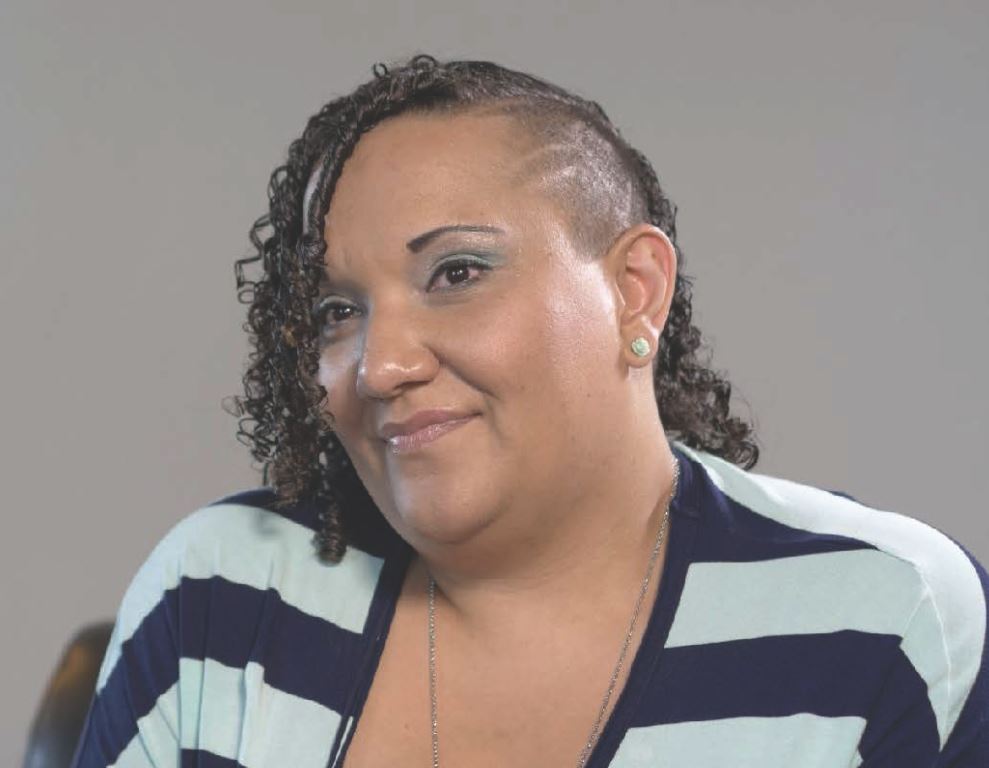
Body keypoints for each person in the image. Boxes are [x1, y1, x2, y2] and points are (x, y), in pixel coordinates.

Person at [71, 55, 988, 768]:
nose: (381, 364)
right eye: (336, 311)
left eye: (457, 273)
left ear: (635, 292)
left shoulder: (882, 617)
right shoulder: (226, 596)